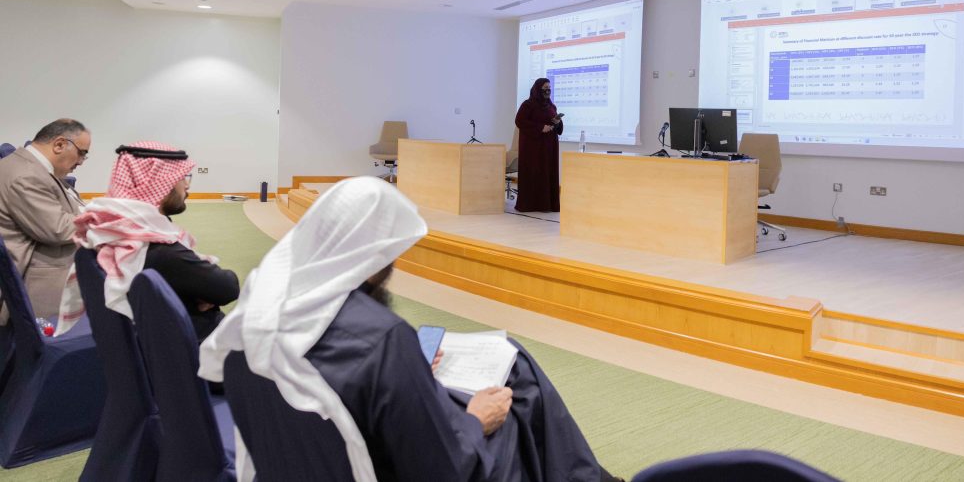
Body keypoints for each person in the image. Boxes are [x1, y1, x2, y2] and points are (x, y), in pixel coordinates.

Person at [199, 177, 622, 482]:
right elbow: (446, 468)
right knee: (517, 400)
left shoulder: (256, 310)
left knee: (514, 368)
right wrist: (477, 421)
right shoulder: (383, 338)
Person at [56, 141, 239, 342]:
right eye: (182, 178)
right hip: (192, 352)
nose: (187, 185)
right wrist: (204, 290)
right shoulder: (159, 250)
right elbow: (228, 288)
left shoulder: (106, 232)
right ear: (158, 183)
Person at [0, 118, 89, 320]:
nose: (81, 161)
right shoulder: (26, 174)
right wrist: (105, 218)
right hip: (34, 290)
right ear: (59, 144)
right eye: (81, 153)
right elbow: (57, 229)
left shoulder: (31, 168)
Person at [514, 78, 563, 213]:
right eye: (545, 87)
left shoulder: (552, 106)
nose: (548, 90)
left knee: (548, 173)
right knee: (534, 173)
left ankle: (548, 205)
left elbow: (557, 126)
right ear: (537, 89)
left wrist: (557, 122)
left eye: (549, 87)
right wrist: (540, 128)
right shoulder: (528, 105)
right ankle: (531, 204)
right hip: (533, 148)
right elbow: (519, 121)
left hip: (549, 147)